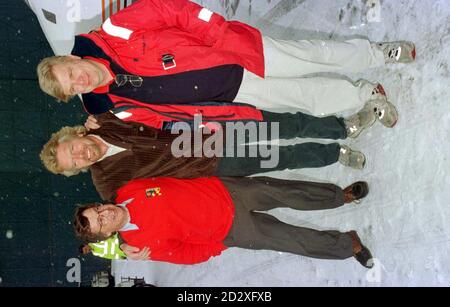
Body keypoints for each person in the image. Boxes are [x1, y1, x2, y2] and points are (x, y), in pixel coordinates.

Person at [36, 0, 415, 127]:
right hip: (230, 93)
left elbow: (170, 9)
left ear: (70, 58)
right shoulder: (113, 107)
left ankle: (377, 54)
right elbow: (160, 122)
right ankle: (365, 97)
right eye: (72, 88)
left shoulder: (114, 30)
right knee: (305, 98)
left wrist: (216, 30)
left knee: (309, 55)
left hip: (231, 51)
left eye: (70, 73)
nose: (79, 80)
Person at [40, 106, 376, 201]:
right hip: (208, 162)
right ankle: (336, 154)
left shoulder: (106, 120)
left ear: (72, 135)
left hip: (203, 130)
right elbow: (125, 214)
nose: (82, 154)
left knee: (281, 126)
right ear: (77, 170)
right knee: (281, 158)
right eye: (75, 162)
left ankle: (341, 128)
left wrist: (97, 114)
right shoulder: (106, 183)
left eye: (73, 148)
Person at [73, 176, 374, 268]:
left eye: (98, 211)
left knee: (288, 192)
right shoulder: (138, 244)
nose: (104, 215)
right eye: (100, 223)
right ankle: (348, 245)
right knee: (291, 240)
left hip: (228, 191)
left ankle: (340, 196)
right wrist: (221, 244)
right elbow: (185, 256)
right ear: (107, 234)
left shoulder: (128, 188)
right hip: (231, 231)